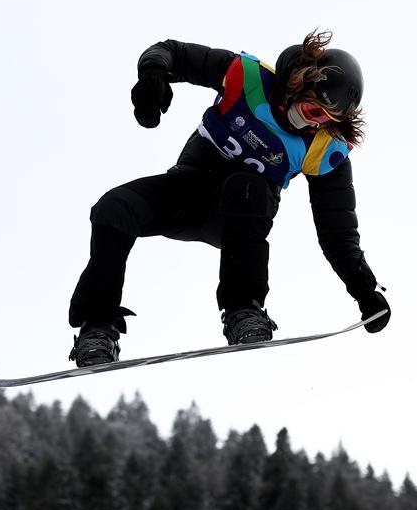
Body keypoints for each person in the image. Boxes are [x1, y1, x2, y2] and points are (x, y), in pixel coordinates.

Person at [68, 30, 391, 367]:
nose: (316, 122)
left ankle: (244, 310)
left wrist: (364, 289)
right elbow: (171, 52)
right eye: (314, 109)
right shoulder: (248, 78)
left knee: (246, 184)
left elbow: (338, 232)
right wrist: (153, 77)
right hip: (185, 194)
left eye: (328, 119)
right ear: (300, 83)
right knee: (113, 208)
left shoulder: (324, 148)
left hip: (239, 220)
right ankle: (98, 327)